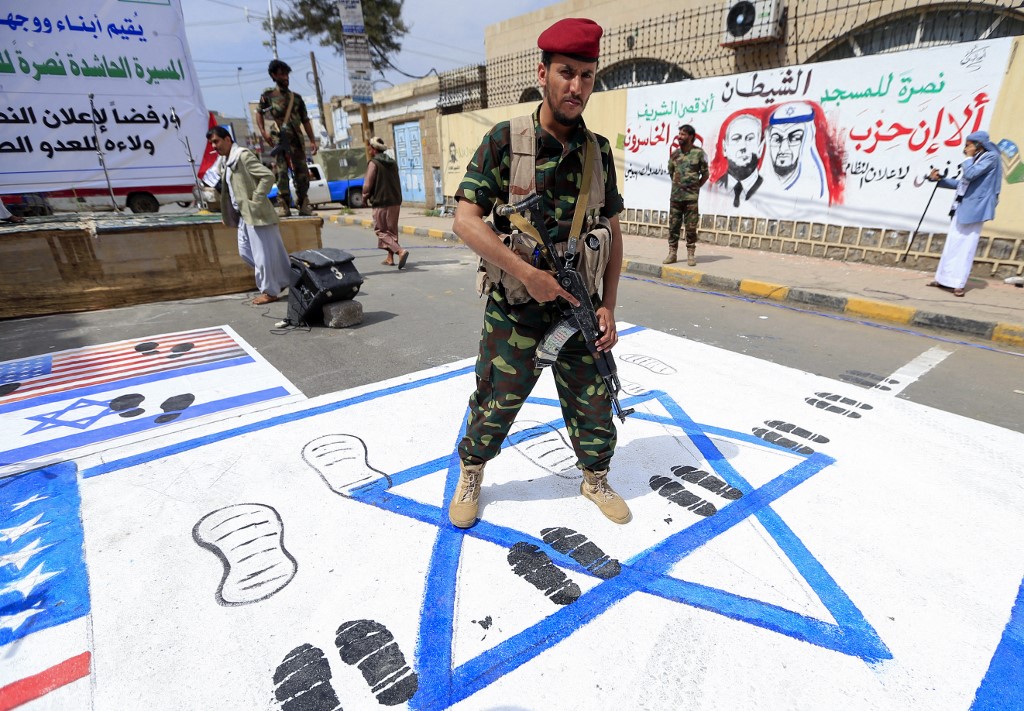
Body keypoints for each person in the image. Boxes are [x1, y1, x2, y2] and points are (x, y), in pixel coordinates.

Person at [448, 17, 630, 529]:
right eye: (567, 72)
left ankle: (595, 477)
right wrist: (525, 273)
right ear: (543, 72)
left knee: (595, 401)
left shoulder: (598, 152)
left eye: (587, 75)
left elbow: (614, 235)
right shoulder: (506, 141)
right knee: (495, 401)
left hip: (577, 306)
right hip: (516, 309)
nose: (577, 86)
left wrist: (609, 304)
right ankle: (472, 472)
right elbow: (465, 221)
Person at [207, 126, 292, 305]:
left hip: (257, 214)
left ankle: (270, 291)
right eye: (211, 143)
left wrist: (256, 199)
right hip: (243, 216)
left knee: (263, 256)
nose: (214, 146)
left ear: (227, 139)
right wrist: (227, 213)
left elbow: (267, 176)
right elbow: (230, 191)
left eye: (216, 141)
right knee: (246, 252)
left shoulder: (242, 156)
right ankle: (282, 280)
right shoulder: (226, 161)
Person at [926, 130, 1002, 298]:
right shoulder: (977, 158)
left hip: (975, 208)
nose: (965, 148)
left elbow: (970, 174)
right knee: (952, 244)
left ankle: (958, 284)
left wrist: (968, 158)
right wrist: (939, 179)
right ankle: (943, 279)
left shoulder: (991, 157)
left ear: (978, 145)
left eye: (968, 145)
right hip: (962, 205)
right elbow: (963, 183)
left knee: (965, 247)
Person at [256, 59, 318, 217]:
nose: (285, 77)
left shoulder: (296, 98)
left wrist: (312, 140)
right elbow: (259, 113)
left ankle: (303, 202)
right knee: (282, 173)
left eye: (286, 74)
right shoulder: (268, 96)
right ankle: (283, 204)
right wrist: (263, 132)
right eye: (281, 74)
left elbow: (305, 120)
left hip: (297, 141)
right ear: (273, 75)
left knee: (302, 173)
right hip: (279, 140)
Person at [664, 124, 709, 266]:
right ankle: (672, 253)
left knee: (691, 227)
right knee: (673, 226)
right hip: (676, 198)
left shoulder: (699, 153)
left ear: (691, 137)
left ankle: (691, 254)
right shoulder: (674, 154)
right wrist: (680, 186)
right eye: (679, 134)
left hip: (691, 199)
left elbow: (705, 174)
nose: (680, 137)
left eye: (683, 134)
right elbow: (671, 172)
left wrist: (695, 188)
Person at [362, 136, 409, 268]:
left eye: (370, 147)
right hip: (395, 201)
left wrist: (364, 196)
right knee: (391, 231)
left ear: (373, 149)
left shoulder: (374, 163)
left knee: (381, 231)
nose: (369, 149)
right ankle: (390, 258)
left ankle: (400, 251)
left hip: (381, 202)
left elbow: (367, 184)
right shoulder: (392, 163)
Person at [714, 112, 764, 206]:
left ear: (760, 148)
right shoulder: (713, 188)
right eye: (736, 139)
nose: (743, 147)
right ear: (725, 148)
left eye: (750, 139)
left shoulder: (768, 187)